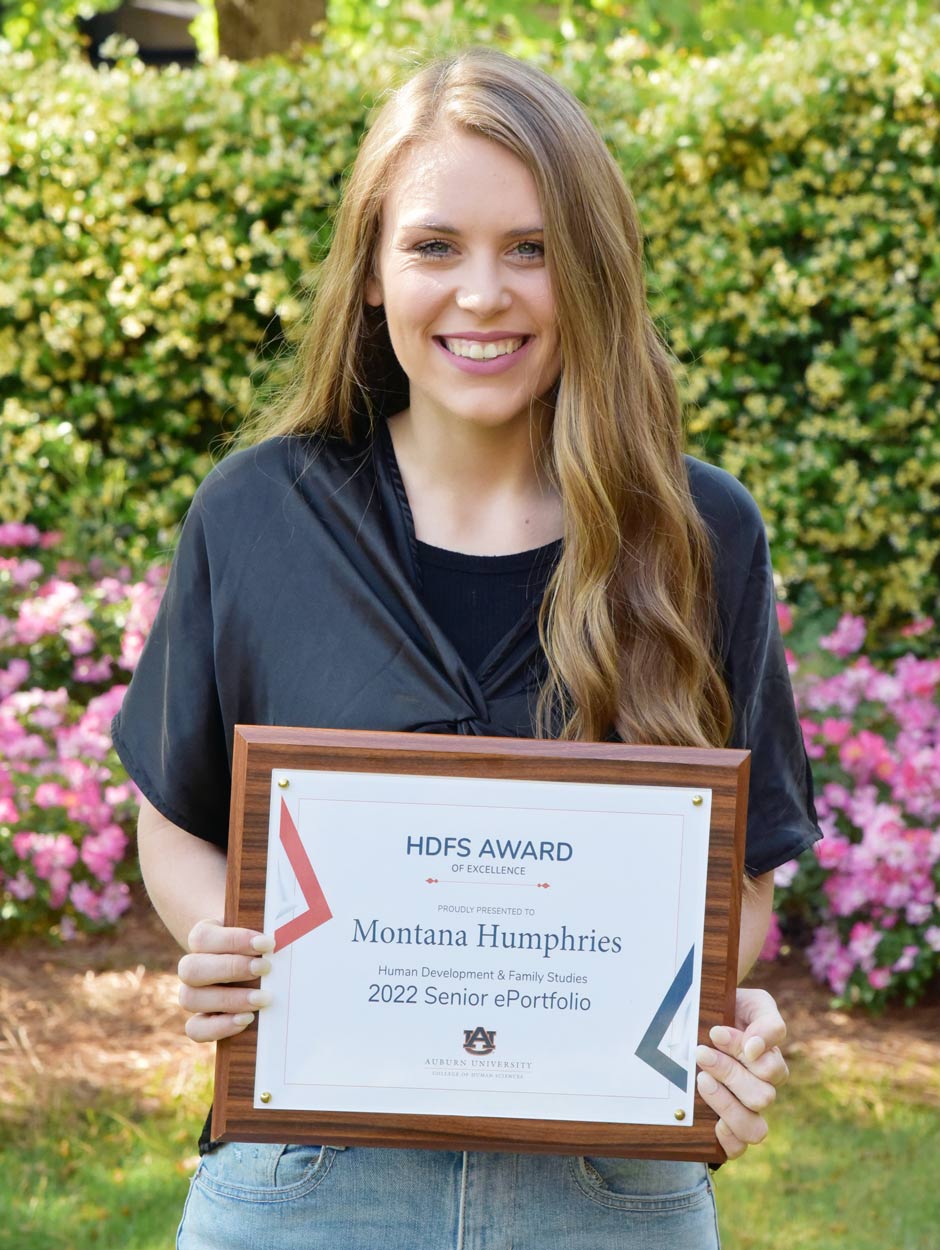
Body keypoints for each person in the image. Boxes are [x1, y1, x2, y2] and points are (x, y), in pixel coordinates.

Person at [113, 46, 821, 1250]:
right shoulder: (256, 513)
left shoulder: (701, 532)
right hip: (305, 1176)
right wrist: (214, 941)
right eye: (435, 245)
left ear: (591, 271)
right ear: (375, 274)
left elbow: (741, 874)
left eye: (531, 248)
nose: (482, 292)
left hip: (613, 1186)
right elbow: (175, 811)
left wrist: (706, 1010)